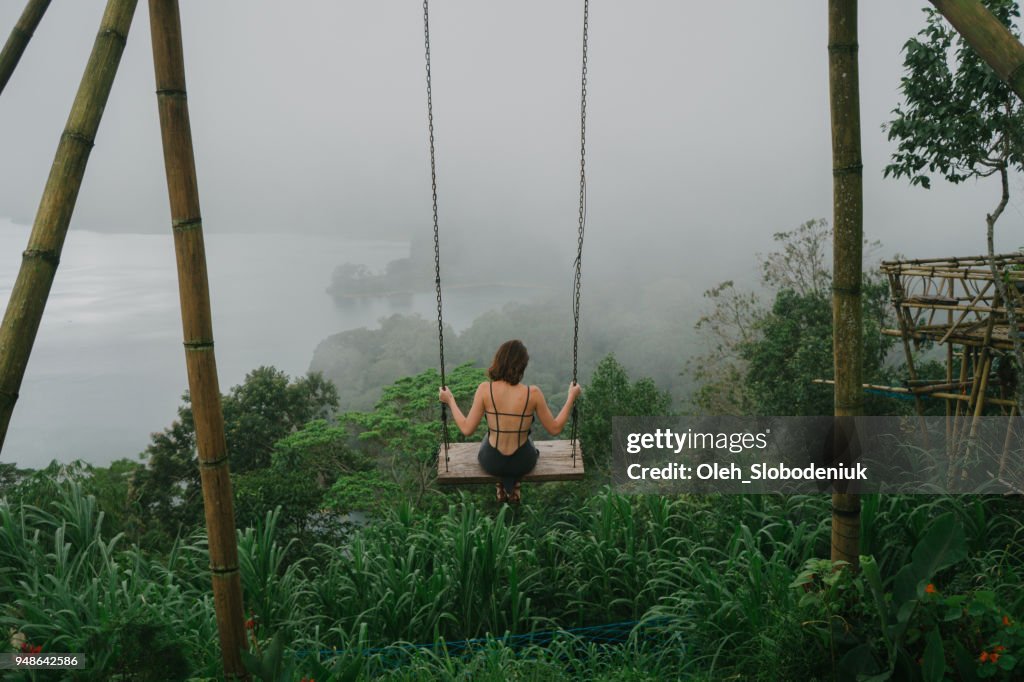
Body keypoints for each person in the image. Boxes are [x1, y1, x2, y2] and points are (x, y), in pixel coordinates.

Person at [438, 339, 582, 503]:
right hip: (522, 463)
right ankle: (515, 484)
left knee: (490, 436)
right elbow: (555, 429)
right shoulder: (533, 393)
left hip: (492, 462)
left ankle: (502, 484)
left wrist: (450, 400)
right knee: (527, 439)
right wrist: (571, 396)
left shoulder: (485, 390)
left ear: (498, 361)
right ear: (522, 366)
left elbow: (467, 429)